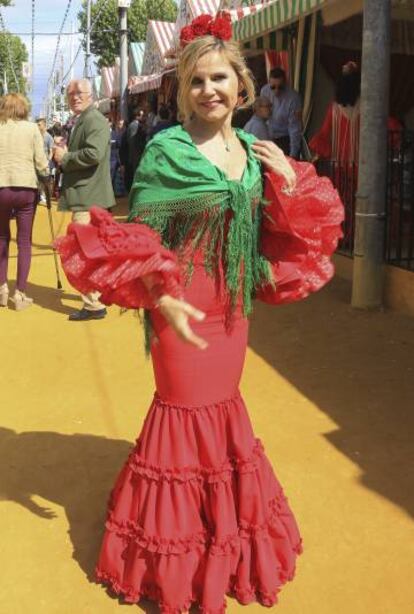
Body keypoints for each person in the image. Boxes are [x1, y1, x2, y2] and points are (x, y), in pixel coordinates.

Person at [55, 12, 343, 613]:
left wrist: (287, 179)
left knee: (224, 416)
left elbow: (276, 238)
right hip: (180, 307)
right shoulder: (167, 149)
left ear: (242, 85)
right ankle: (173, 562)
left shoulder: (254, 149)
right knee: (183, 418)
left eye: (220, 78)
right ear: (183, 89)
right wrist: (161, 299)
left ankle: (223, 541)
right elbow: (143, 238)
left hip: (232, 310)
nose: (209, 90)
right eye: (196, 81)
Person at [53, 78, 115, 322]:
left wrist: (66, 157)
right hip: (87, 195)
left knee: (85, 251)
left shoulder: (94, 120)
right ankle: (95, 298)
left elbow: (94, 154)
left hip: (89, 196)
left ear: (91, 95)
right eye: (70, 94)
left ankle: (93, 304)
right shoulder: (87, 119)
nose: (74, 97)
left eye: (79, 93)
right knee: (91, 249)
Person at [0, 93, 49, 310]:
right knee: (24, 241)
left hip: (1, 186)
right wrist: (47, 177)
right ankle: (20, 293)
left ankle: (2, 288)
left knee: (1, 237)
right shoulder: (32, 129)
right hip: (26, 188)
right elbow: (41, 162)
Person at [260, 67, 302, 159]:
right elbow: (262, 117)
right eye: (273, 87)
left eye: (280, 87)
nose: (276, 90)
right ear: (269, 83)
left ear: (285, 83)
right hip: (268, 136)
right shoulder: (264, 91)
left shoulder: (293, 98)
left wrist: (293, 155)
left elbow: (294, 128)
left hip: (285, 138)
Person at [124, 109, 147, 192]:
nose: (143, 117)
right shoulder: (134, 125)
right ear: (137, 116)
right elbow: (132, 141)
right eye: (141, 115)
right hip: (136, 155)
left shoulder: (137, 125)